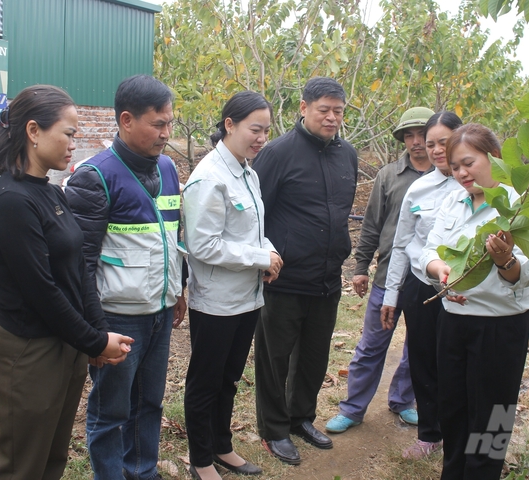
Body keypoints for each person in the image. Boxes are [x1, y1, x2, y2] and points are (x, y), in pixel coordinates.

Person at [0, 85, 134, 480]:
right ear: (34, 131)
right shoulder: (10, 201)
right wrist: (94, 341)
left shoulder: (51, 192)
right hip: (28, 353)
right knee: (22, 465)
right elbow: (41, 290)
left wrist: (94, 335)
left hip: (63, 345)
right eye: (68, 133)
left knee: (52, 459)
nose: (74, 142)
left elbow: (78, 271)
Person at [65, 75, 186, 480]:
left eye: (169, 123)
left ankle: (143, 471)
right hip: (118, 318)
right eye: (158, 124)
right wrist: (95, 331)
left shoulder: (167, 168)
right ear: (126, 120)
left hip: (160, 310)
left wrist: (178, 289)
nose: (166, 133)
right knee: (111, 411)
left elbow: (172, 236)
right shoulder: (93, 177)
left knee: (150, 402)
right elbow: (79, 263)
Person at [420, 123, 529, 479]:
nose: (461, 173)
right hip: (453, 321)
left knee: (492, 414)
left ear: (494, 157)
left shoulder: (523, 207)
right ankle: (454, 471)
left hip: (500, 327)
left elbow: (527, 272)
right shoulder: (453, 201)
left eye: (468, 163)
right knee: (454, 406)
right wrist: (440, 268)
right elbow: (428, 250)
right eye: (455, 166)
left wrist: (505, 259)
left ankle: (483, 473)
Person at [252, 77, 358, 465]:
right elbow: (256, 212)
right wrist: (264, 257)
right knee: (274, 358)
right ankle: (274, 429)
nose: (332, 118)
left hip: (328, 277)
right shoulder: (278, 153)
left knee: (314, 356)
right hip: (284, 279)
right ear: (303, 108)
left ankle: (301, 418)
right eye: (324, 110)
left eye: (339, 111)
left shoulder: (347, 154)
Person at [182, 91, 283, 480]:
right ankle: (201, 459)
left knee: (229, 378)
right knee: (205, 381)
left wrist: (270, 252)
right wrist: (260, 258)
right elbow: (202, 245)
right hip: (216, 302)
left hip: (247, 298)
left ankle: (222, 446)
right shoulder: (209, 177)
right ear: (229, 125)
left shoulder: (248, 172)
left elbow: (253, 231)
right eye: (254, 129)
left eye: (266, 131)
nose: (261, 138)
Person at [325, 106, 435, 435]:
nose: (417, 142)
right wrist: (361, 267)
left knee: (419, 345)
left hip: (426, 280)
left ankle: (403, 400)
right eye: (410, 136)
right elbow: (372, 224)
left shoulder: (447, 177)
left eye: (423, 135)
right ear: (403, 139)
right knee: (372, 344)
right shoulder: (389, 176)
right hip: (388, 275)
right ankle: (353, 408)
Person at [379, 112, 463, 459]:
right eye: (431, 144)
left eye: (444, 141)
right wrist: (391, 293)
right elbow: (402, 244)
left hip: (474, 295)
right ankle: (432, 433)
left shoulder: (484, 188)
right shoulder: (420, 187)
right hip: (423, 286)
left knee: (464, 366)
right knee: (425, 360)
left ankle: (474, 442)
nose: (437, 150)